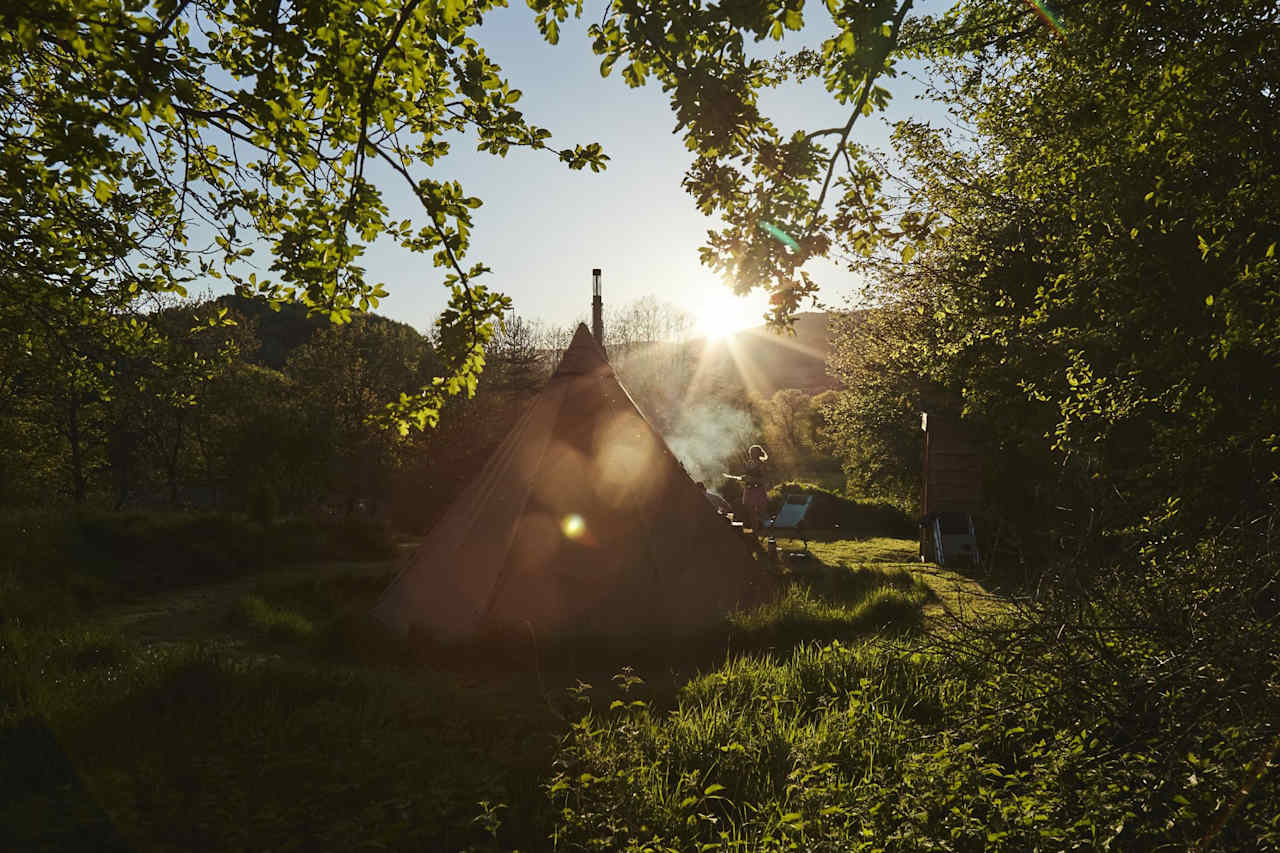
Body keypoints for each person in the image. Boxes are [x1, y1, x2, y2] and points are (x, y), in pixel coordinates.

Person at [724, 444, 770, 532]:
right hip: (748, 489)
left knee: (761, 512)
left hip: (758, 490)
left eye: (753, 452)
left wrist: (752, 479)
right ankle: (754, 531)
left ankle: (766, 530)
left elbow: (764, 479)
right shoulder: (749, 463)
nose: (750, 454)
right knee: (750, 511)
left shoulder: (762, 464)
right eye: (750, 452)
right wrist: (743, 478)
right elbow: (748, 475)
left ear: (758, 453)